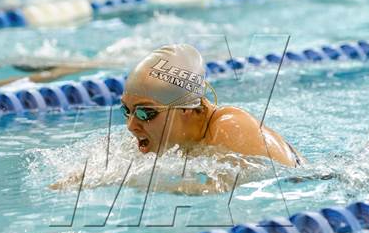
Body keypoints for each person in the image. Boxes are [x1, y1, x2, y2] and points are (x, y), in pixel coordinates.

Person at [121, 43, 305, 168]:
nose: (131, 125)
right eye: (126, 111)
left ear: (186, 108)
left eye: (145, 113)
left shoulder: (231, 128)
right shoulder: (163, 138)